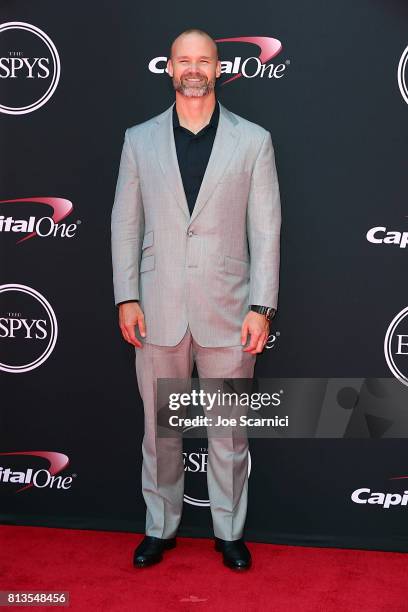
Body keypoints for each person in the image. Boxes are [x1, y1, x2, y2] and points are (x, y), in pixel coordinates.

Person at [111, 28, 281, 571]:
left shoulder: (253, 140)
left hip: (230, 312)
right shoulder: (138, 140)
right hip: (157, 308)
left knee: (228, 433)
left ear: (217, 68)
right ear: (169, 68)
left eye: (203, 60)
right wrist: (125, 296)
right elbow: (124, 225)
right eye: (184, 60)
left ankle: (229, 531)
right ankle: (159, 528)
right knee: (159, 431)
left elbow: (267, 230)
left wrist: (263, 306)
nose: (193, 69)